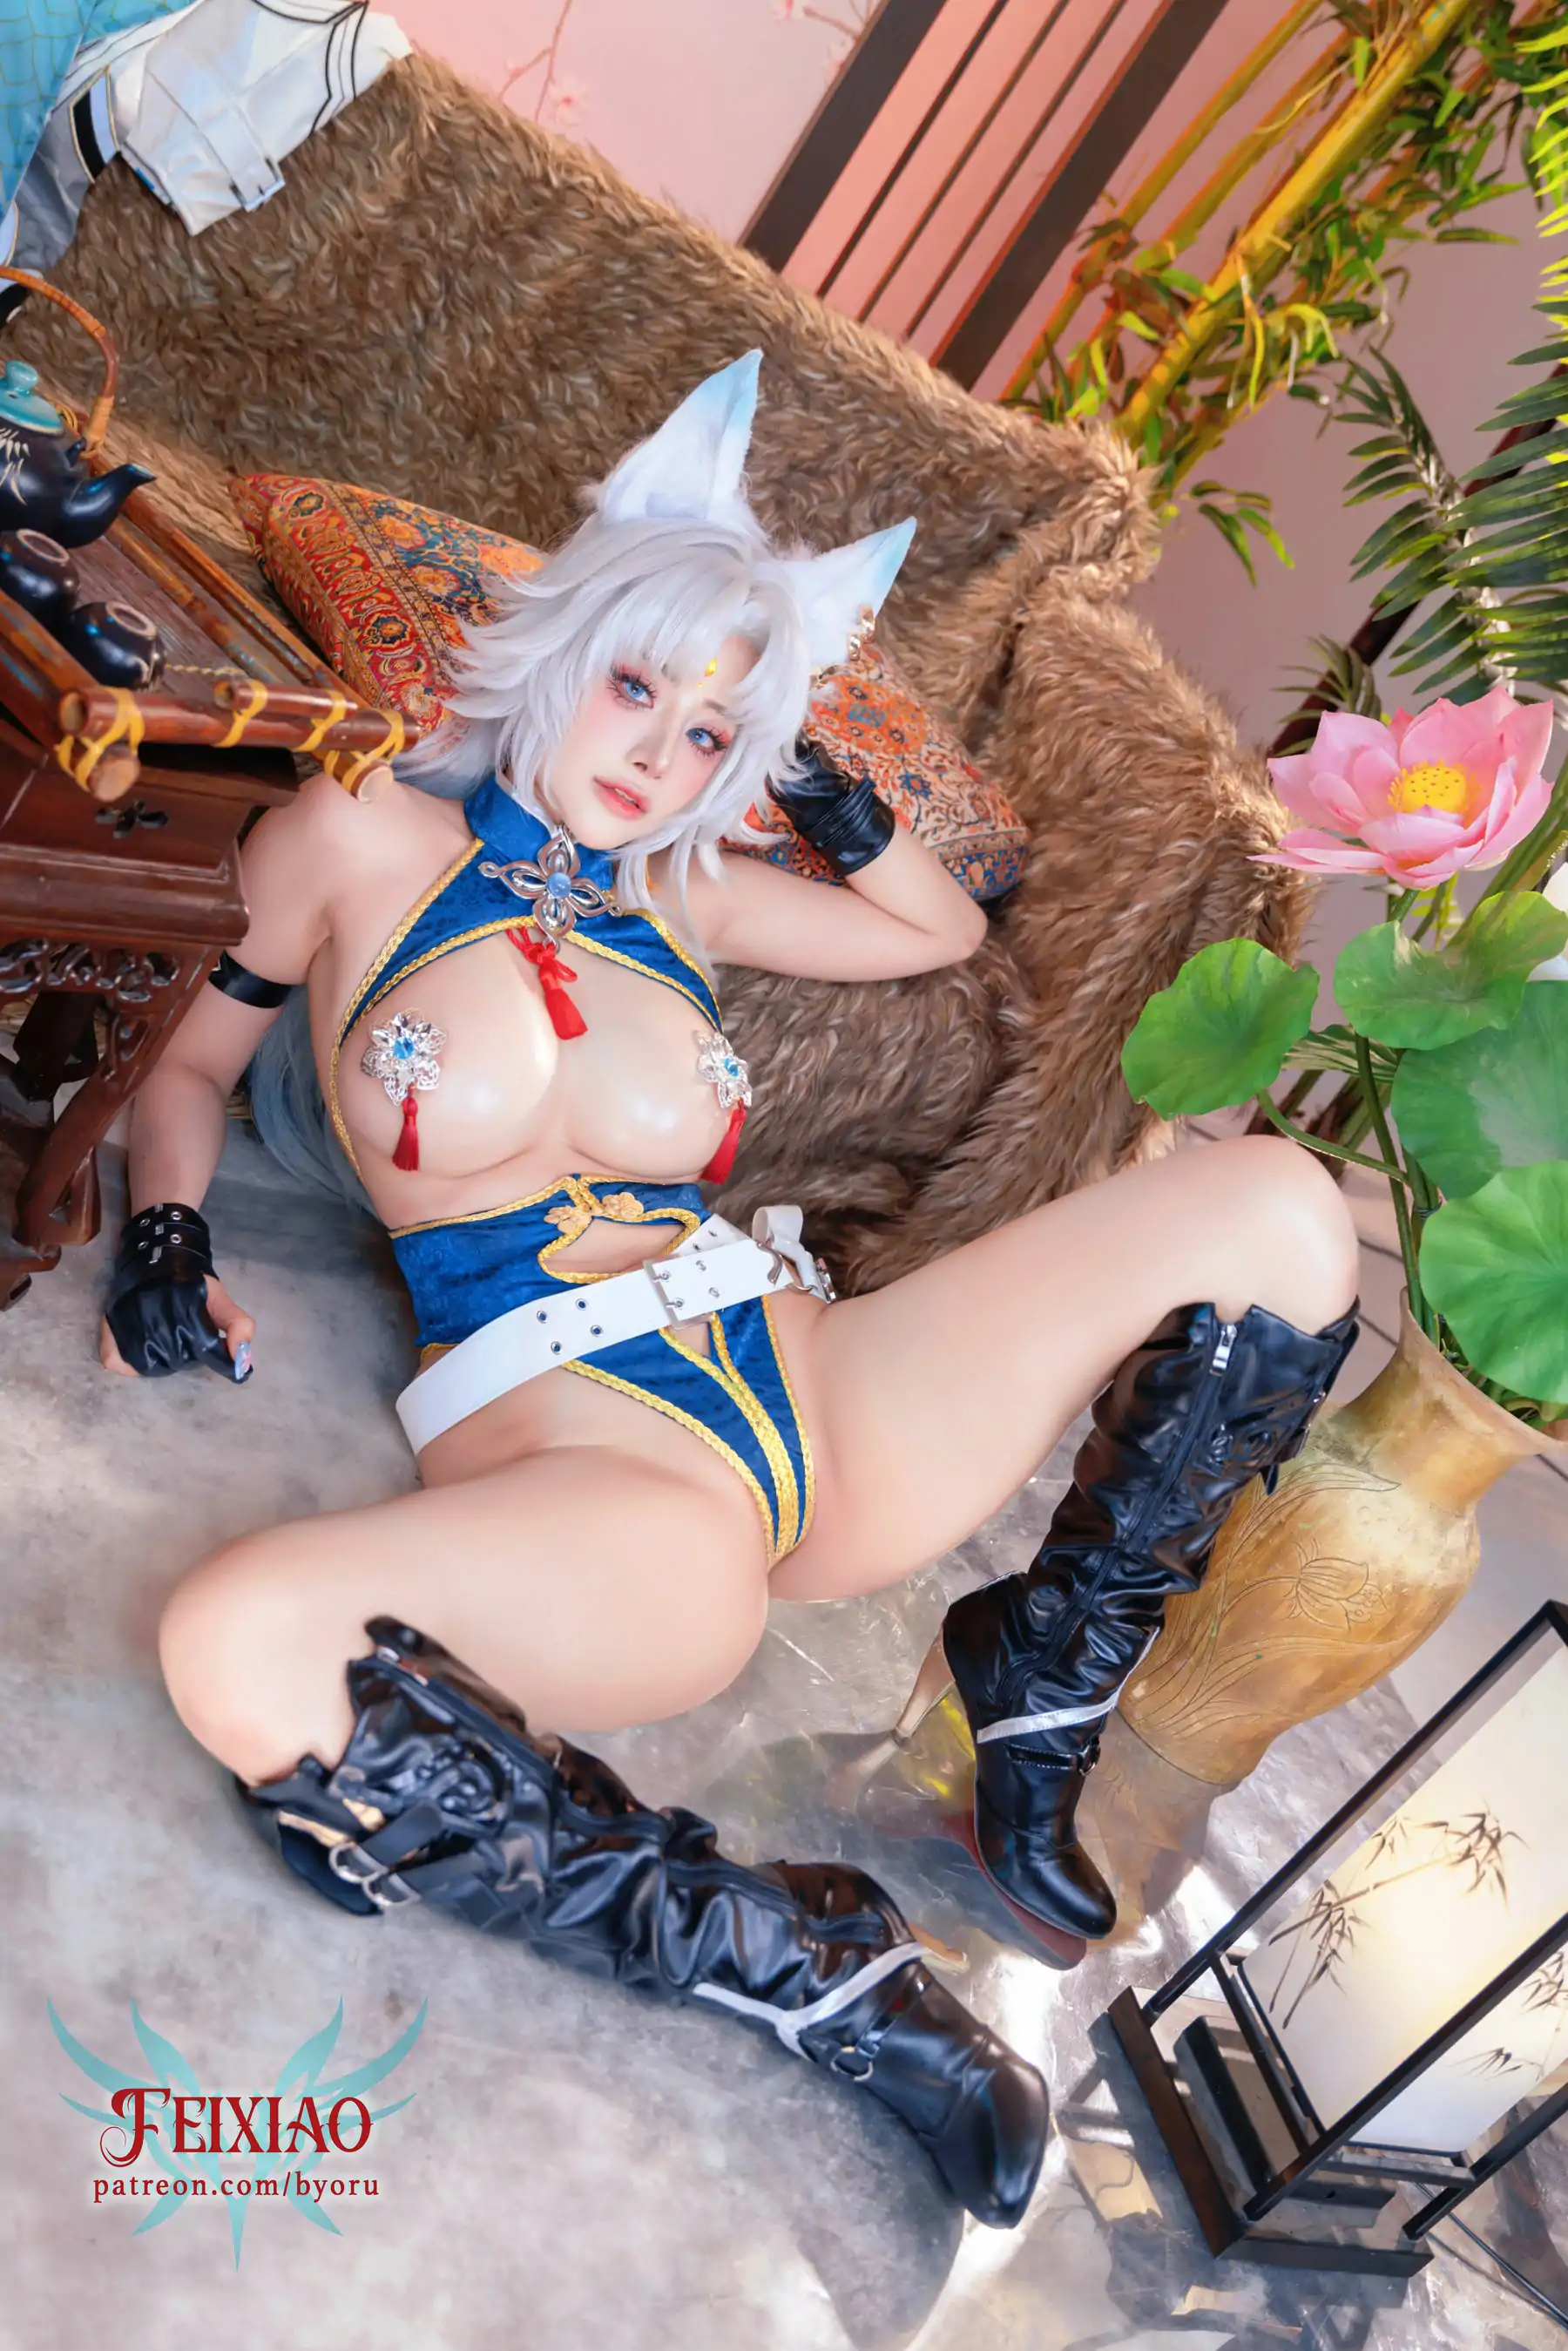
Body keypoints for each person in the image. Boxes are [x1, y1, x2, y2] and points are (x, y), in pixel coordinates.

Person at [101, 353, 1359, 2228]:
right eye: (639, 688)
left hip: (816, 1386)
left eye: (708, 735)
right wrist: (168, 1232)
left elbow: (934, 927)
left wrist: (822, 779)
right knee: (238, 1644)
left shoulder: (679, 897)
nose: (657, 757)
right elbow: (189, 1061)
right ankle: (830, 1977)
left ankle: (1036, 1691)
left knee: (1281, 1205)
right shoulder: (357, 841)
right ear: (564, 648)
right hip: (605, 1459)